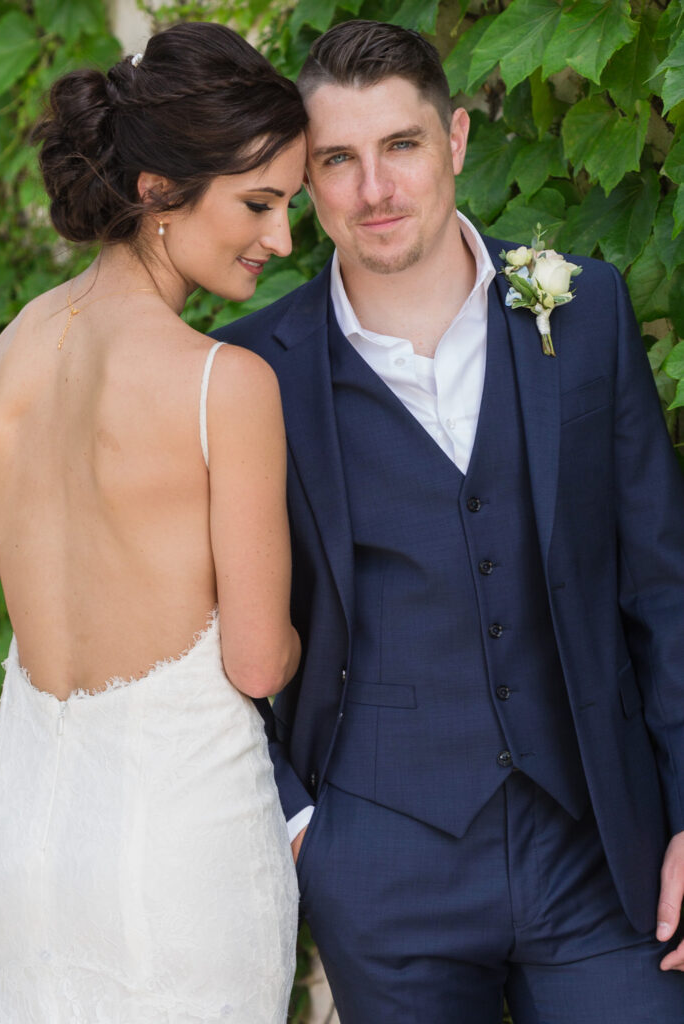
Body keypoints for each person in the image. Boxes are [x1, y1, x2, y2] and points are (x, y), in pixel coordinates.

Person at [214, 19, 684, 1023]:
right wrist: (302, 829)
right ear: (308, 178)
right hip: (381, 871)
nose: (373, 188)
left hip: (600, 849)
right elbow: (199, 625)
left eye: (402, 146)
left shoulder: (586, 309)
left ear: (458, 141)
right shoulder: (253, 369)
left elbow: (662, 585)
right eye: (337, 159)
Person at [0, 21, 306, 1023]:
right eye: (258, 203)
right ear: (157, 191)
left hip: (25, 859)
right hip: (185, 861)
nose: (281, 238)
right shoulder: (225, 384)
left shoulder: (12, 351)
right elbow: (256, 662)